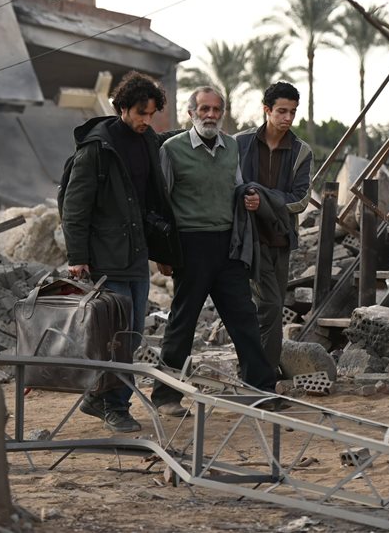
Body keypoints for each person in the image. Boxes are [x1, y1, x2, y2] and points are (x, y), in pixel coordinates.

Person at [60, 71, 181, 434]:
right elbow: (74, 207)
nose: (147, 120)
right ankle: (115, 406)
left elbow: (153, 201)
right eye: (142, 113)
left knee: (132, 335)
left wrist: (163, 251)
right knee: (116, 337)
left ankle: (98, 398)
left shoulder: (148, 142)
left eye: (152, 114)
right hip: (105, 258)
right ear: (123, 107)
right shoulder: (97, 148)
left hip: (136, 256)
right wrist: (77, 258)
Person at [150, 87, 277, 416]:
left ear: (222, 114)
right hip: (190, 246)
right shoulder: (171, 150)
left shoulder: (231, 146)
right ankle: (165, 396)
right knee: (183, 321)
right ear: (191, 113)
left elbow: (236, 185)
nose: (210, 115)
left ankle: (261, 391)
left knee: (244, 318)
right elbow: (160, 204)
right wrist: (163, 253)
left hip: (227, 245)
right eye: (204, 109)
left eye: (216, 110)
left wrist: (249, 197)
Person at [235, 81, 312, 374]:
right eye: (282, 111)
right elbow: (230, 185)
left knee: (272, 306)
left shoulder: (301, 151)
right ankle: (262, 375)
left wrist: (261, 198)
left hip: (280, 240)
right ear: (266, 110)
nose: (288, 118)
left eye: (292, 112)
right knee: (266, 305)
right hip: (244, 239)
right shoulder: (239, 143)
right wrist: (249, 198)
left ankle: (255, 371)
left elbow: (301, 199)